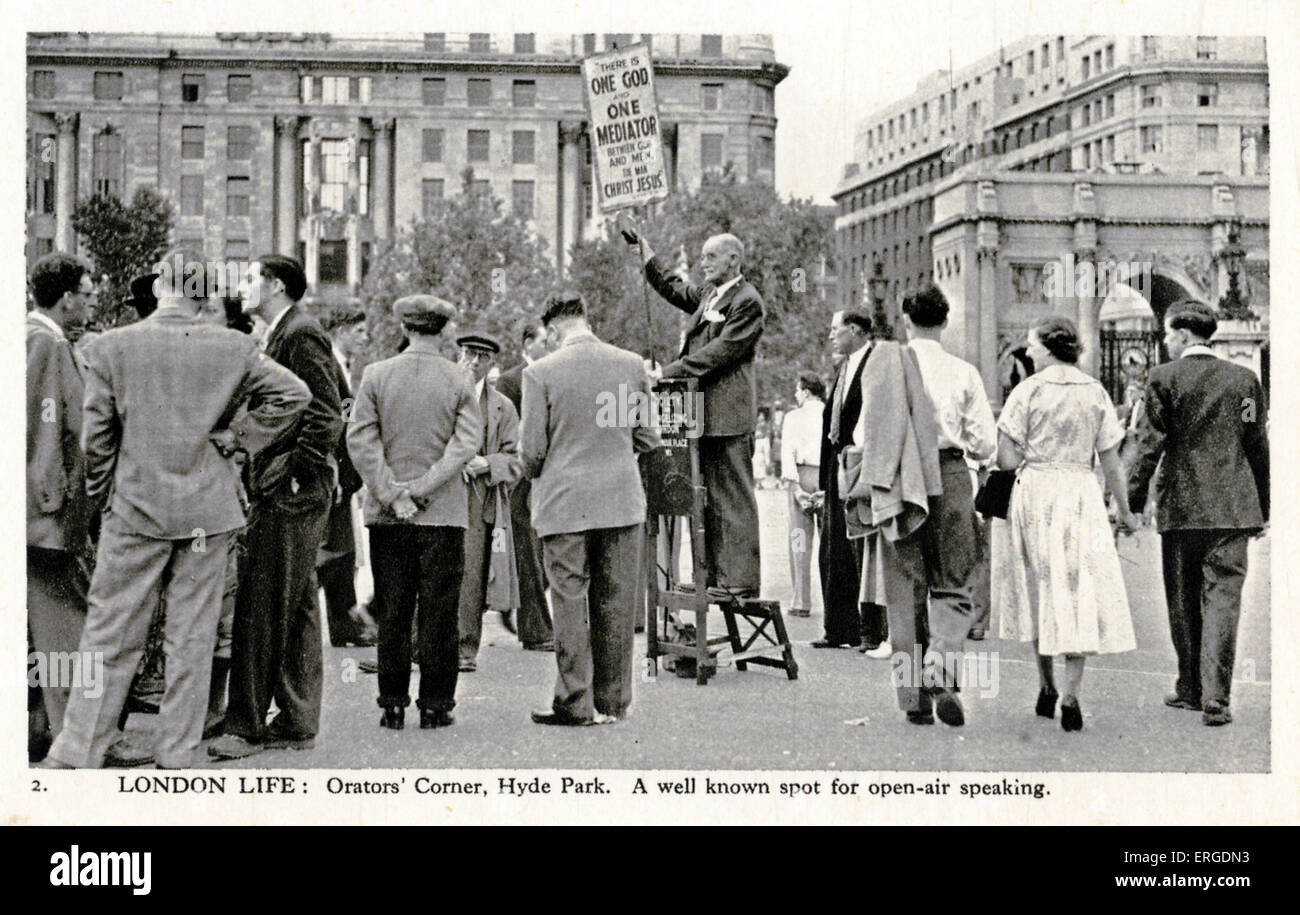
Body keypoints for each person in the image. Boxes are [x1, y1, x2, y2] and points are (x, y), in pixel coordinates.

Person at [40, 247, 310, 768]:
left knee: (109, 632)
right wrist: (238, 439)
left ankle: (79, 750)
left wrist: (102, 497)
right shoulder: (236, 348)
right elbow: (294, 396)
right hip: (208, 512)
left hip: (135, 508)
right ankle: (178, 751)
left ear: (162, 286)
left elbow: (97, 440)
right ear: (207, 295)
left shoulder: (111, 347)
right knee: (193, 636)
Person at [210, 255, 344, 760]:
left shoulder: (300, 333)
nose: (241, 286)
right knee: (298, 605)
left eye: (249, 278)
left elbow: (327, 412)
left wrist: (295, 475)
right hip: (293, 490)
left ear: (276, 285)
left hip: (289, 493)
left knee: (262, 606)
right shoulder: (287, 330)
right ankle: (296, 718)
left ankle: (245, 727)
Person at [992, 317, 1138, 733]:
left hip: (1037, 491)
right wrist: (1124, 511)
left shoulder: (1028, 390)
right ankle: (1072, 694)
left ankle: (1046, 685)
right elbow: (1111, 461)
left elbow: (1006, 459)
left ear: (1049, 347)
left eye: (1032, 344)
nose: (1028, 351)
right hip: (1081, 493)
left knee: (1041, 587)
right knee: (1078, 589)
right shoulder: (1095, 392)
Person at [1127, 301, 1269, 727]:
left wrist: (1133, 501)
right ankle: (1217, 697)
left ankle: (1189, 687)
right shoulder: (1245, 381)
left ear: (1184, 334)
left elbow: (1150, 444)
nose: (1166, 341)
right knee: (1224, 600)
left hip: (1183, 507)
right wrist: (1263, 505)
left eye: (1169, 334)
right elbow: (1255, 442)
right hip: (1233, 508)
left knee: (1184, 600)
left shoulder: (1163, 379)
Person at [521, 291, 658, 726]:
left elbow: (533, 453)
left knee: (569, 601)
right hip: (620, 501)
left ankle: (574, 701)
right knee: (616, 603)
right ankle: (614, 702)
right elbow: (646, 437)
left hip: (564, 504)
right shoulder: (629, 364)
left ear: (554, 329)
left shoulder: (541, 373)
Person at [346, 295, 482, 729]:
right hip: (442, 514)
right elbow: (465, 446)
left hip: (388, 517)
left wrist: (392, 493)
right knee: (441, 612)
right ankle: (436, 705)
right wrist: (423, 489)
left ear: (405, 328)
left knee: (394, 609)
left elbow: (360, 441)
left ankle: (392, 703)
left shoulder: (376, 375)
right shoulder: (458, 382)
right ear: (443, 331)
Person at [624, 221, 764, 601]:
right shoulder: (710, 295)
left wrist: (667, 372)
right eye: (702, 257)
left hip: (729, 415)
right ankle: (718, 576)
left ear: (734, 259)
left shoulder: (747, 300)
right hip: (704, 414)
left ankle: (741, 579)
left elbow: (719, 353)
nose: (704, 263)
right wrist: (646, 252)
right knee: (710, 497)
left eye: (712, 257)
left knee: (733, 495)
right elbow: (672, 286)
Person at [894, 285, 997, 726]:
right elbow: (985, 443)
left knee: (907, 587)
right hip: (951, 475)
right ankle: (942, 663)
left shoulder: (888, 369)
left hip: (901, 479)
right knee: (955, 581)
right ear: (945, 322)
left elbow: (864, 436)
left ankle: (915, 698)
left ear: (905, 319)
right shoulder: (964, 371)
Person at [27, 253, 95, 756]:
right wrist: (51, 500)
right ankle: (75, 738)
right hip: (48, 518)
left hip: (38, 515)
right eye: (87, 294)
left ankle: (43, 730)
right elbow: (44, 428)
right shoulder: (47, 343)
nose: (91, 303)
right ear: (66, 298)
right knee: (67, 630)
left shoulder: (35, 336)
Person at [815, 309, 889, 654]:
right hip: (837, 466)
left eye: (836, 329)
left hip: (861, 463)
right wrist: (824, 477)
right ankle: (838, 627)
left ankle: (870, 629)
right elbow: (831, 418)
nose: (831, 335)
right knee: (833, 547)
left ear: (855, 330)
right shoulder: (844, 366)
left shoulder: (875, 363)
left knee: (865, 546)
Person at [455, 332, 524, 673]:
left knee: (471, 575)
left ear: (491, 363)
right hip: (442, 495)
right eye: (466, 354)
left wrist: (488, 464)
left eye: (480, 356)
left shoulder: (502, 407)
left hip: (480, 502)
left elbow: (517, 458)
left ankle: (464, 649)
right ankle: (419, 646)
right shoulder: (445, 395)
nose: (471, 362)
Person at [494, 321, 556, 652]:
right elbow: (505, 433)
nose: (551, 346)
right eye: (545, 341)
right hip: (519, 483)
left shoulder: (553, 375)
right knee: (529, 554)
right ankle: (535, 629)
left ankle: (511, 604)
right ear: (527, 343)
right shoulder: (509, 381)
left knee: (541, 555)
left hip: (544, 480)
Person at [319, 307, 375, 648]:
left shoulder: (342, 366)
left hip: (342, 475)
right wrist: (337, 473)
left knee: (343, 552)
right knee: (335, 552)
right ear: (340, 330)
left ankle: (345, 623)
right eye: (359, 331)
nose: (365, 338)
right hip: (335, 473)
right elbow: (335, 423)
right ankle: (343, 623)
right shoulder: (329, 364)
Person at [780, 372, 826, 617]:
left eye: (798, 390)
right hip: (826, 480)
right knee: (829, 544)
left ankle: (801, 601)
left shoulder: (793, 417)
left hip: (801, 477)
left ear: (806, 391)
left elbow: (787, 453)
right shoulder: (831, 414)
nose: (796, 395)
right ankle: (834, 606)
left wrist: (794, 488)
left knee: (799, 541)